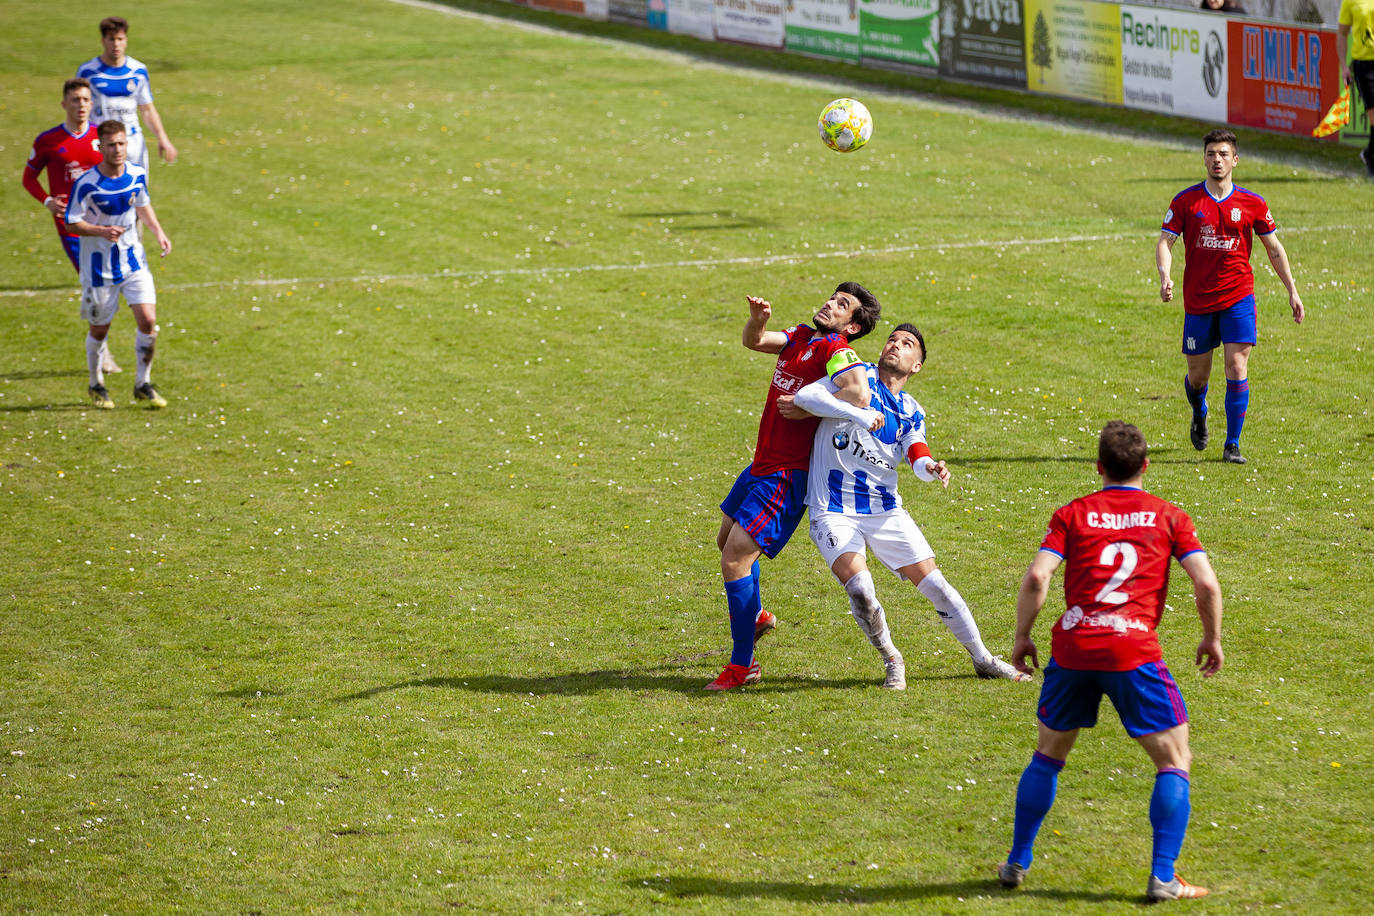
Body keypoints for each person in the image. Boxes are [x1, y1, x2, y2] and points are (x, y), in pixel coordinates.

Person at [997, 421, 1223, 902]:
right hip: (1132, 649)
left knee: (1048, 755)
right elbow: (1205, 584)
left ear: (1099, 467)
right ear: (1145, 466)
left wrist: (1021, 636)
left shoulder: (1072, 514)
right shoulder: (1169, 516)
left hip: (1074, 647)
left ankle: (1017, 861)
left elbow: (1039, 577)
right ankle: (1163, 876)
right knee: (1174, 760)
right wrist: (1211, 637)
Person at [779, 324, 1030, 689]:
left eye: (907, 344)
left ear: (917, 367)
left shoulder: (911, 410)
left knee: (938, 586)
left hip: (884, 511)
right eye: (892, 339)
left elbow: (917, 454)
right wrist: (859, 414)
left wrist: (931, 468)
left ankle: (983, 658)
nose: (896, 345)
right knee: (862, 588)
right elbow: (806, 397)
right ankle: (892, 658)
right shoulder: (857, 376)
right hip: (832, 509)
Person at [706, 284, 881, 691]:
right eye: (833, 297)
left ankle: (742, 663)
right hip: (761, 464)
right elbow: (756, 342)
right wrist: (757, 321)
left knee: (735, 559)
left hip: (788, 473)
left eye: (842, 305)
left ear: (852, 325)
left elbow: (859, 393)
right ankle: (757, 616)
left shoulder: (835, 348)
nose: (830, 304)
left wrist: (807, 407)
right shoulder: (803, 336)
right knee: (724, 541)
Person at [1155, 127, 1303, 466]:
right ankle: (1199, 410)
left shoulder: (1252, 203)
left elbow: (1274, 249)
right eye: (1211, 154)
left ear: (1235, 160)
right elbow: (1166, 242)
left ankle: (1232, 444)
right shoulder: (1186, 201)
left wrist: (1292, 291)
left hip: (1239, 297)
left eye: (1223, 154)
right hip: (1199, 299)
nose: (1216, 160)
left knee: (1237, 366)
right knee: (1199, 377)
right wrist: (1165, 275)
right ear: (1204, 159)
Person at [65, 120, 172, 410]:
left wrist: (158, 232)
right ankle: (96, 383)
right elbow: (71, 221)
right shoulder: (86, 183)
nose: (118, 150)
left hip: (133, 261)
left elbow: (142, 203)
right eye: (111, 144)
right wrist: (101, 231)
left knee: (148, 321)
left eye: (122, 143)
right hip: (98, 267)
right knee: (100, 329)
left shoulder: (137, 174)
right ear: (100, 147)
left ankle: (142, 383)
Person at [22, 77, 121, 375]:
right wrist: (48, 201)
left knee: (111, 284)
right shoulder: (48, 141)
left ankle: (100, 345)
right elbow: (28, 178)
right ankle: (102, 353)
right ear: (64, 104)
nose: (81, 105)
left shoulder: (101, 138)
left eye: (86, 100)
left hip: (106, 222)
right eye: (76, 100)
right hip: (73, 227)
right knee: (96, 285)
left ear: (93, 103)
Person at [76, 16, 177, 174]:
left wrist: (162, 138)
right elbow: (76, 108)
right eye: (111, 39)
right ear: (103, 40)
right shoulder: (88, 72)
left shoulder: (138, 71)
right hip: (100, 143)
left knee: (136, 194)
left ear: (126, 40)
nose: (116, 44)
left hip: (132, 142)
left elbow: (147, 109)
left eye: (120, 39)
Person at [1338, 0, 1374, 177]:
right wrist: (1344, 66)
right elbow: (1342, 33)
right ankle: (1371, 158)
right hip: (1364, 66)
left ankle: (1369, 153)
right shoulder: (1350, 1)